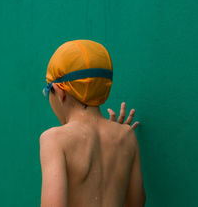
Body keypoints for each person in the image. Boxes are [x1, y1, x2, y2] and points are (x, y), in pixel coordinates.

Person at [40, 39, 146, 207]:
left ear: (60, 92)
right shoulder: (126, 137)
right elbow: (136, 203)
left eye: (48, 91)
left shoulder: (54, 139)